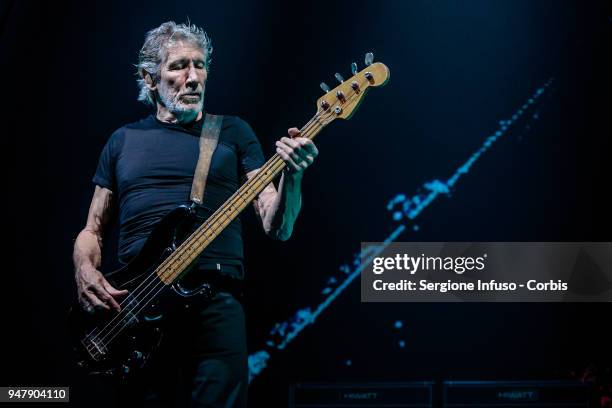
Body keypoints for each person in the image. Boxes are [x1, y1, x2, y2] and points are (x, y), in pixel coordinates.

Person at [72, 21, 318, 407]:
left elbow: (278, 225)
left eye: (200, 66)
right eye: (179, 66)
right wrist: (84, 269)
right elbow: (92, 229)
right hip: (136, 310)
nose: (193, 78)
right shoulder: (123, 141)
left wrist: (294, 175)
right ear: (149, 78)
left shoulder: (233, 133)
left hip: (214, 306)